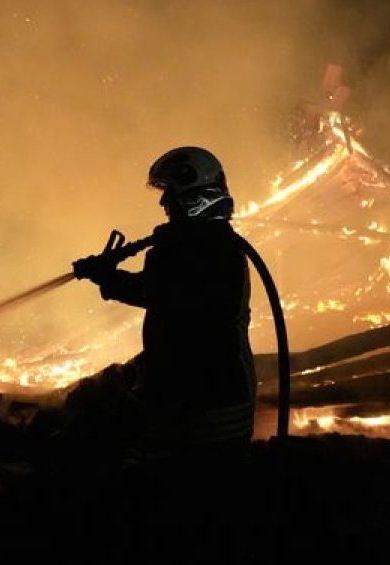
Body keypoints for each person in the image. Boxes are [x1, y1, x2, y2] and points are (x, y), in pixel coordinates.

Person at [72, 147, 256, 456]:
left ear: (192, 195)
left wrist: (105, 277)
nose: (164, 202)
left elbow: (155, 292)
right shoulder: (220, 244)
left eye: (170, 192)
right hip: (226, 403)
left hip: (201, 414)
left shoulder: (190, 250)